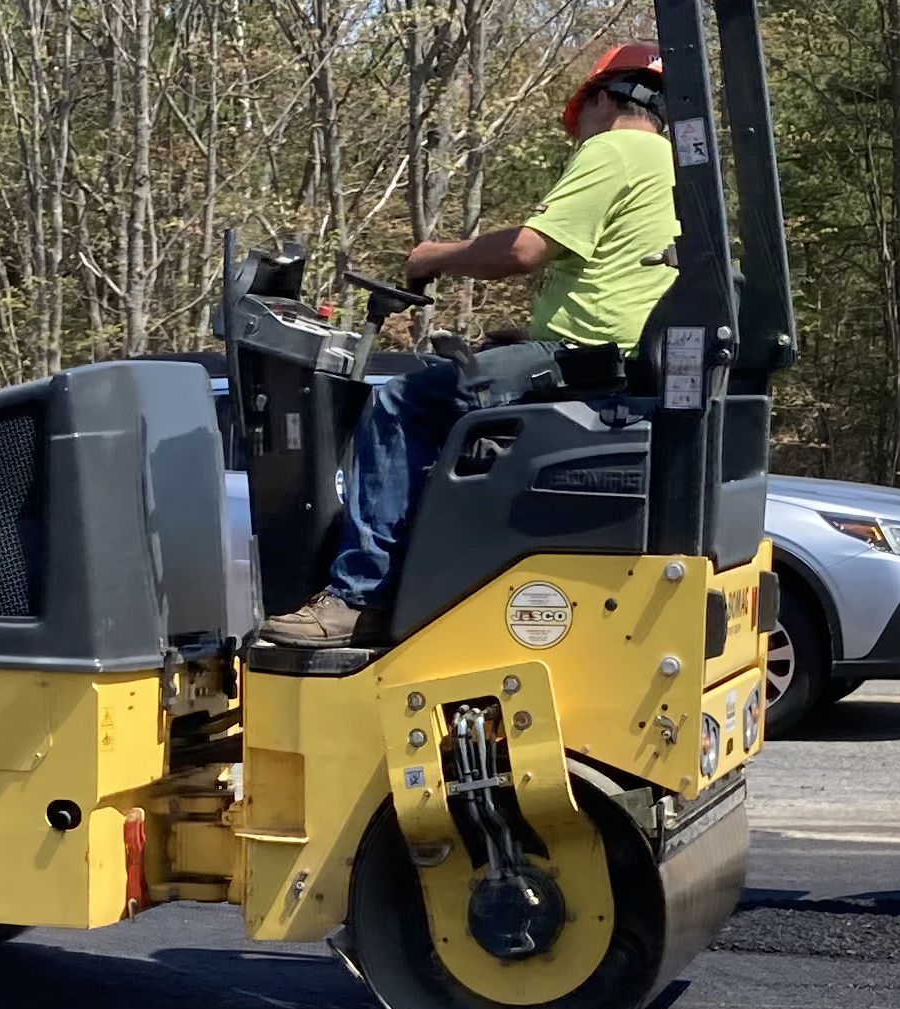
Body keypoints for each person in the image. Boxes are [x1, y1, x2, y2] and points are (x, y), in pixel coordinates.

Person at [260, 42, 677, 647]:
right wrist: (523, 340)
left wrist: (434, 256)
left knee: (402, 403)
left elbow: (524, 251)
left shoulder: (616, 147)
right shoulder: (675, 166)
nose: (579, 133)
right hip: (609, 360)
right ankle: (422, 576)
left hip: (584, 364)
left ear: (607, 98)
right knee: (466, 382)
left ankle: (359, 597)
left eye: (581, 115)